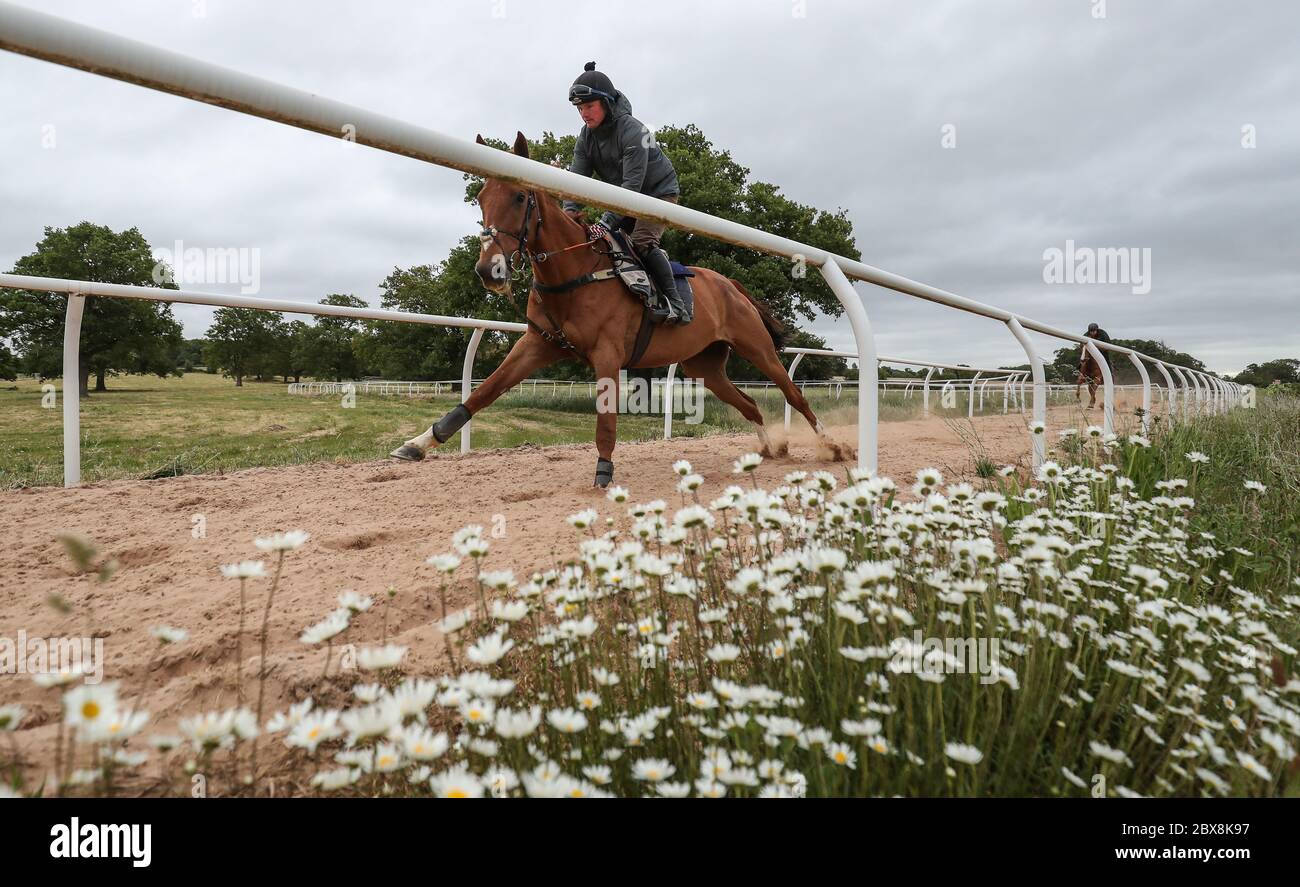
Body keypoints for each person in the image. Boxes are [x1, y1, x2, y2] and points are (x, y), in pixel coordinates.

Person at [562, 62, 693, 324]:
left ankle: (678, 306)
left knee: (642, 243)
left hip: (657, 194)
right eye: (579, 108)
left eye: (589, 106)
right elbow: (576, 180)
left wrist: (605, 222)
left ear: (607, 103)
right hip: (627, 197)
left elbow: (631, 189)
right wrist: (568, 216)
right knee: (608, 245)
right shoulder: (585, 137)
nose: (584, 114)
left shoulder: (634, 130)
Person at [1076, 322, 1111, 409]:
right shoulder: (1086, 335)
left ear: (1097, 330)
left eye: (1094, 331)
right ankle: (1080, 372)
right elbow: (1082, 345)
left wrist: (1097, 348)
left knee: (1106, 360)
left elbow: (1108, 345)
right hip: (1089, 353)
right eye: (1091, 331)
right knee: (1082, 361)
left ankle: (1109, 374)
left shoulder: (1103, 334)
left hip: (1101, 352)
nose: (1092, 333)